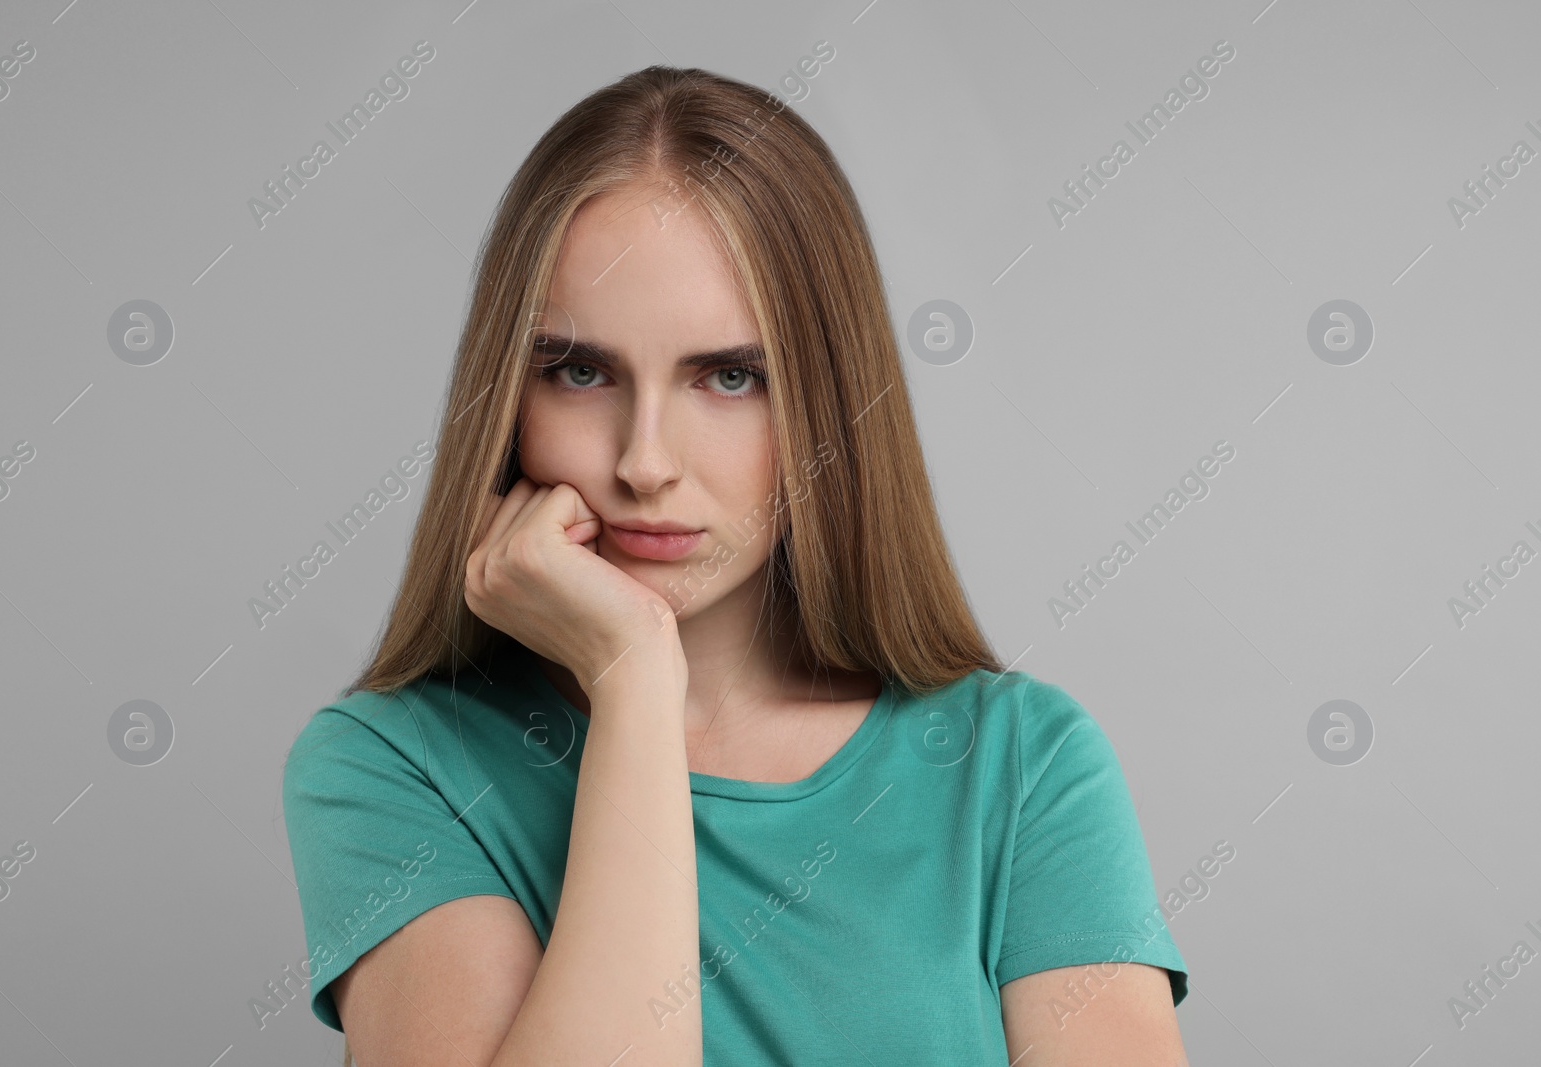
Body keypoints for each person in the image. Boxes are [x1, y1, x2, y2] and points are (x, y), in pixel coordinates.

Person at [281, 64, 1190, 1067]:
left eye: (729, 375)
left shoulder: (1021, 767)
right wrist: (632, 683)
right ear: (507, 395)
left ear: (828, 401)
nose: (645, 461)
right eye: (579, 371)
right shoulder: (393, 767)